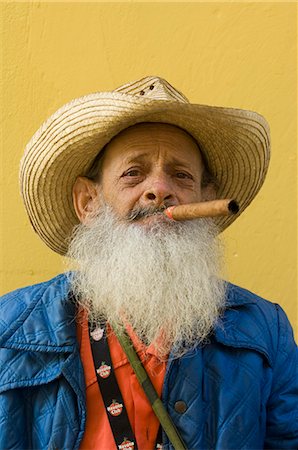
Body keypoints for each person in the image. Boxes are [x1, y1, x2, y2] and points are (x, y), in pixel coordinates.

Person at [0, 76, 297, 450]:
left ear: (206, 200)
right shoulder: (8, 330)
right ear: (88, 201)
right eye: (133, 173)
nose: (159, 189)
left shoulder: (267, 332)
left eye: (181, 175)